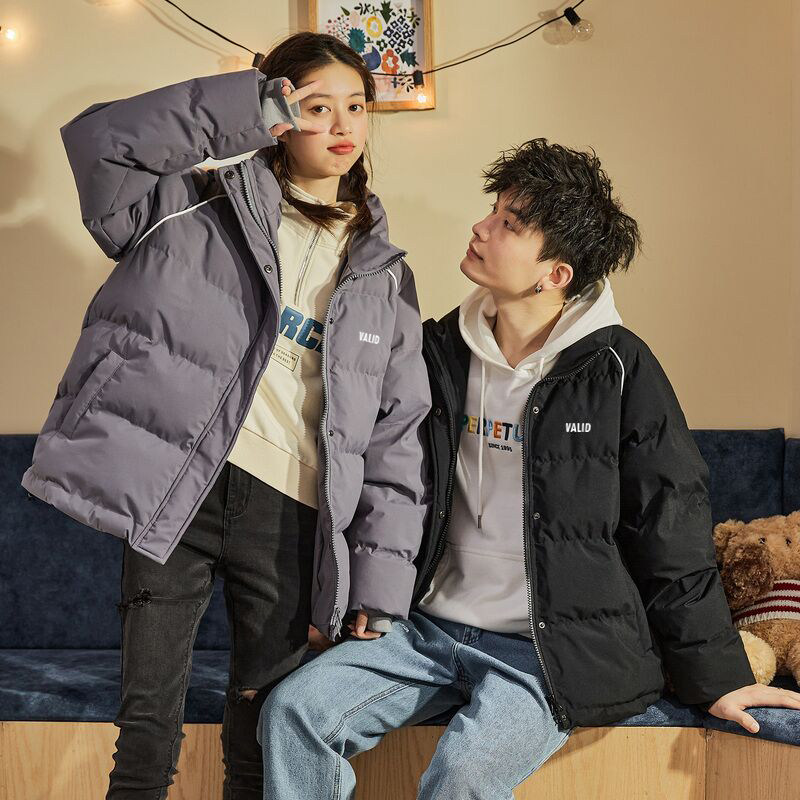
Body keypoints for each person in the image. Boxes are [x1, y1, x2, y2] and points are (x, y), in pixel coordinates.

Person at [258, 138, 800, 800]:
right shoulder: (436, 351)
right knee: (294, 713)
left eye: (509, 224)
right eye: (493, 211)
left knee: (461, 776)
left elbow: (671, 529)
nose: (482, 227)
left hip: (545, 653)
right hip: (427, 631)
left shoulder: (618, 370)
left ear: (555, 274)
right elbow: (376, 482)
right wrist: (342, 601)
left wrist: (717, 677)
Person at [21, 31, 430, 799]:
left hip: (291, 515)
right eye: (316, 106)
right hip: (179, 491)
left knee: (261, 738)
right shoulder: (191, 203)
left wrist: (378, 585)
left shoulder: (385, 275)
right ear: (278, 111)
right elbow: (98, 144)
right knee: (147, 734)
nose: (341, 124)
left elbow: (396, 438)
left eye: (355, 107)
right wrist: (243, 105)